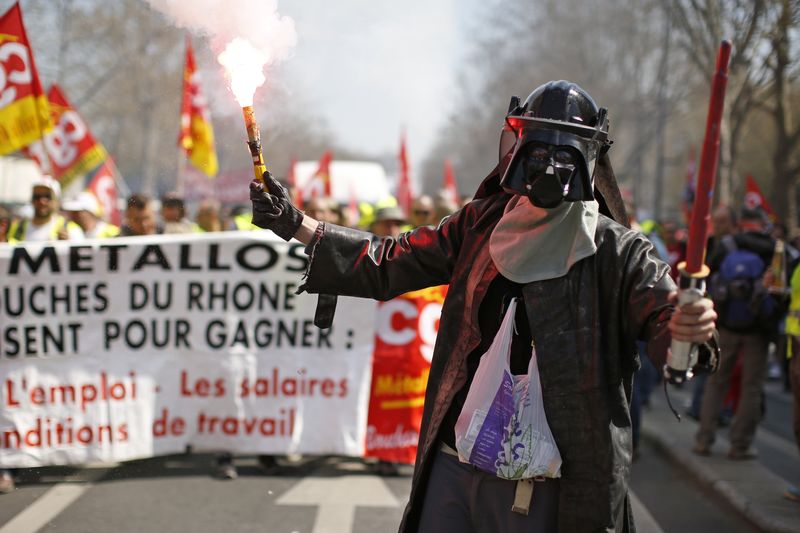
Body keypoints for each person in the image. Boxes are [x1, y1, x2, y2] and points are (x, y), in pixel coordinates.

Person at [249, 80, 717, 532]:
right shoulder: (481, 223)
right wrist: (299, 225)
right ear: (516, 149)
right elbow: (392, 260)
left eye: (562, 153)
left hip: (547, 484)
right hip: (455, 464)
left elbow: (665, 319)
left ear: (586, 160)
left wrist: (686, 330)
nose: (548, 167)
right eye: (537, 151)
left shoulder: (620, 253)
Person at [694, 207, 783, 460]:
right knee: (751, 387)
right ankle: (739, 445)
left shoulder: (728, 245)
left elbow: (707, 276)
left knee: (716, 381)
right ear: (762, 223)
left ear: (741, 223)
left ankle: (704, 439)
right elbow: (780, 287)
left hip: (727, 325)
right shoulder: (773, 248)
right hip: (758, 329)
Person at [7, 175, 84, 243]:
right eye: (37, 197)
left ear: (56, 201)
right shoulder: (15, 228)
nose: (41, 201)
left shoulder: (72, 231)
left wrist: (68, 245)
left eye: (47, 197)